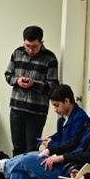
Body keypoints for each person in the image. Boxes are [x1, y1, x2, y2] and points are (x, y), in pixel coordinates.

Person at [6, 25, 60, 155]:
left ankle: (28, 175)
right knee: (17, 148)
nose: (30, 50)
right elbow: (8, 75)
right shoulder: (17, 53)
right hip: (16, 108)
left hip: (37, 112)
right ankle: (15, 175)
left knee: (31, 149)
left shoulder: (50, 58)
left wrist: (34, 84)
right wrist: (17, 81)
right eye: (27, 45)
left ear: (41, 42)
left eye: (34, 46)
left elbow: (53, 86)